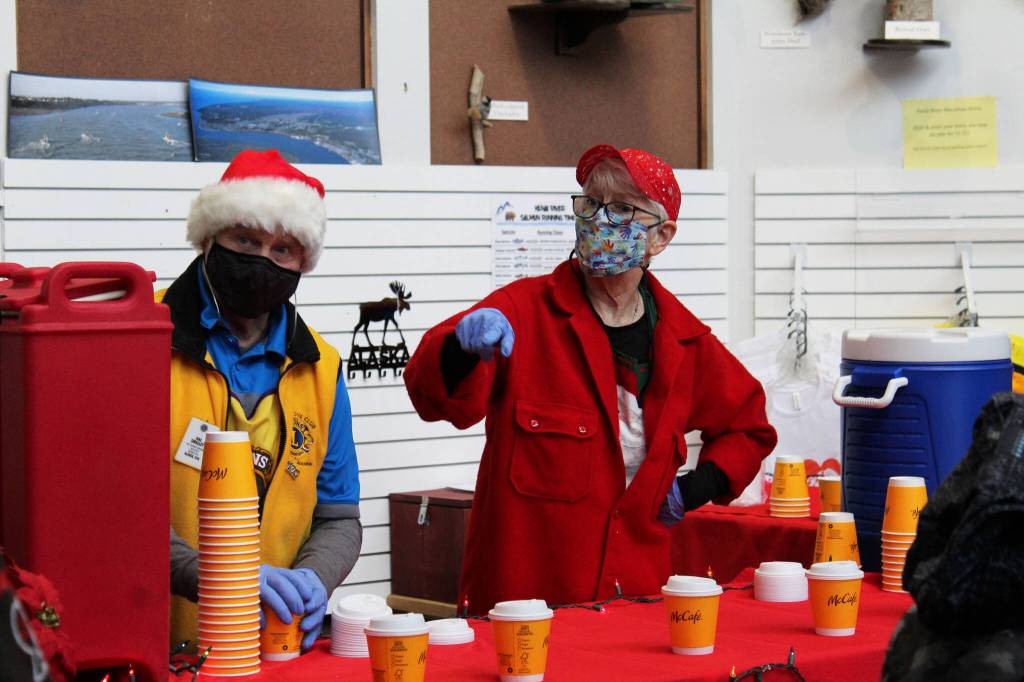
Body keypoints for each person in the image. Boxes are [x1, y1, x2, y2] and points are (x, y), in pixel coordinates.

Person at [404, 144, 777, 613]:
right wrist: (459, 348)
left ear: (660, 236)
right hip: (524, 604)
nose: (600, 220)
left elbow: (749, 424)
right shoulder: (521, 312)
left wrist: (697, 487)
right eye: (591, 203)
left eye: (622, 208)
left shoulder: (686, 342)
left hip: (633, 601)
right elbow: (432, 398)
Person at [163, 150, 362, 649]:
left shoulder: (322, 366)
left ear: (303, 263)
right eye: (245, 239)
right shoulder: (141, 340)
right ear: (211, 238)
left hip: (272, 648)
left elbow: (338, 518)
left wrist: (314, 581)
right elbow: (108, 514)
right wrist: (213, 578)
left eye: (283, 250)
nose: (261, 261)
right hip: (155, 649)